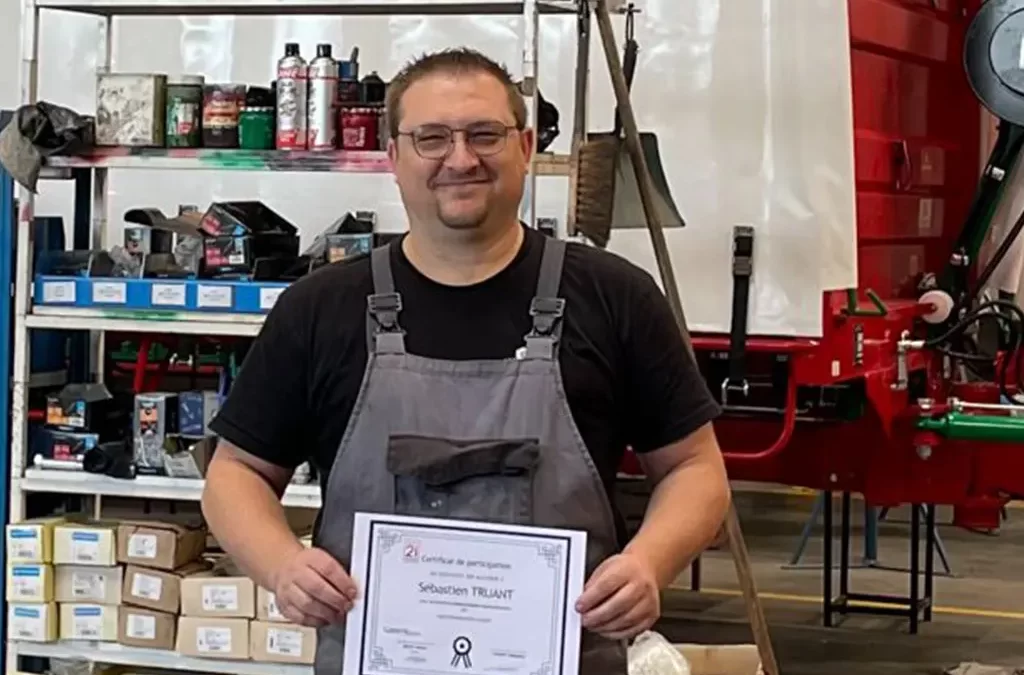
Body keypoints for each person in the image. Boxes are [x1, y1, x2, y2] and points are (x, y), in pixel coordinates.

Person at [201, 47, 730, 675]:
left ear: (526, 146)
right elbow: (234, 476)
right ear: (393, 157)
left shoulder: (616, 297)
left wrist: (649, 564)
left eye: (485, 134)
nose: (460, 158)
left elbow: (696, 469)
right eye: (431, 138)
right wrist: (282, 565)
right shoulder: (319, 309)